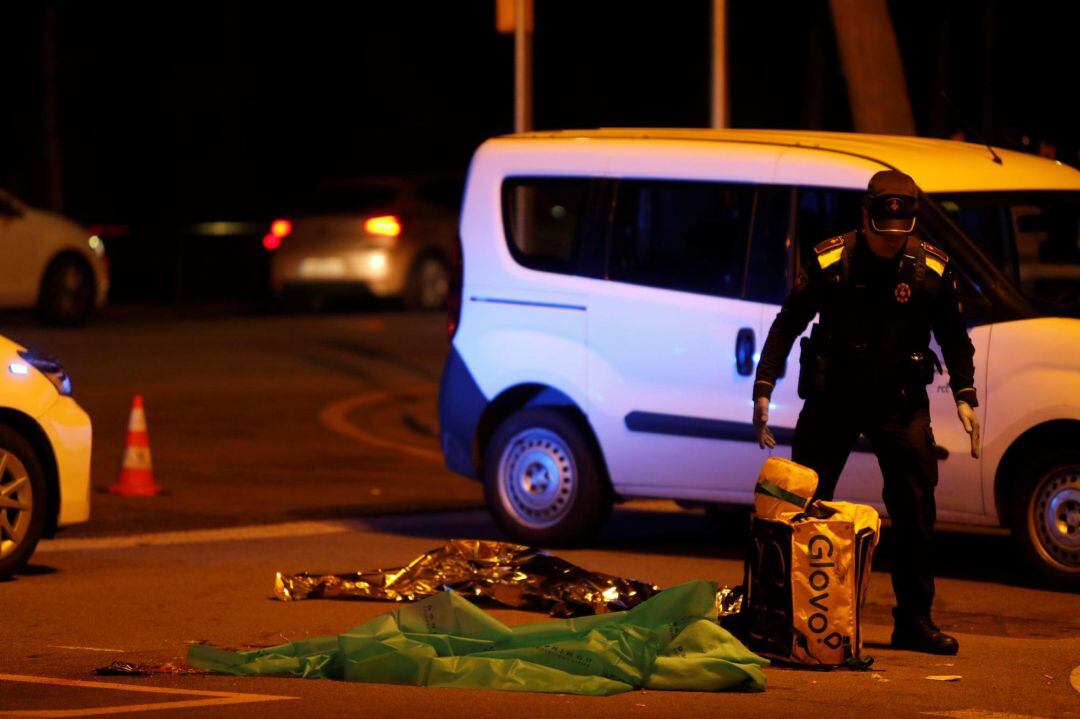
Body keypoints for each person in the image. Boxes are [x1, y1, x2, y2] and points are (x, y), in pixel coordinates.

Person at [751, 170, 980, 656]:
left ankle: (914, 621)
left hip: (899, 400)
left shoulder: (931, 269)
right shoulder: (831, 260)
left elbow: (955, 337)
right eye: (881, 233)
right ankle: (788, 616)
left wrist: (965, 393)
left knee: (916, 507)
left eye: (900, 234)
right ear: (865, 218)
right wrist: (764, 386)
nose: (889, 243)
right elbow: (787, 322)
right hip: (834, 396)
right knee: (803, 502)